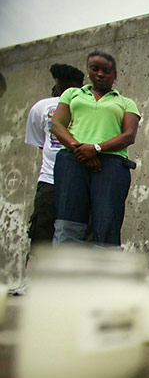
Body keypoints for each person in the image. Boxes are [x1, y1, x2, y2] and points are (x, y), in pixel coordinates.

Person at [50, 51, 140, 246]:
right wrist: (80, 150)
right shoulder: (72, 94)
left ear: (115, 75)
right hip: (72, 160)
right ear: (88, 70)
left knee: (107, 220)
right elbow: (57, 125)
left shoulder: (125, 103)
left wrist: (97, 148)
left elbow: (129, 135)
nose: (100, 74)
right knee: (68, 219)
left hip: (111, 164)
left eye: (106, 71)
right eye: (95, 69)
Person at [24, 63, 84, 246]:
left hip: (63, 180)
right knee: (69, 235)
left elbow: (42, 144)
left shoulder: (41, 108)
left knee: (45, 234)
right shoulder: (42, 107)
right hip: (54, 180)